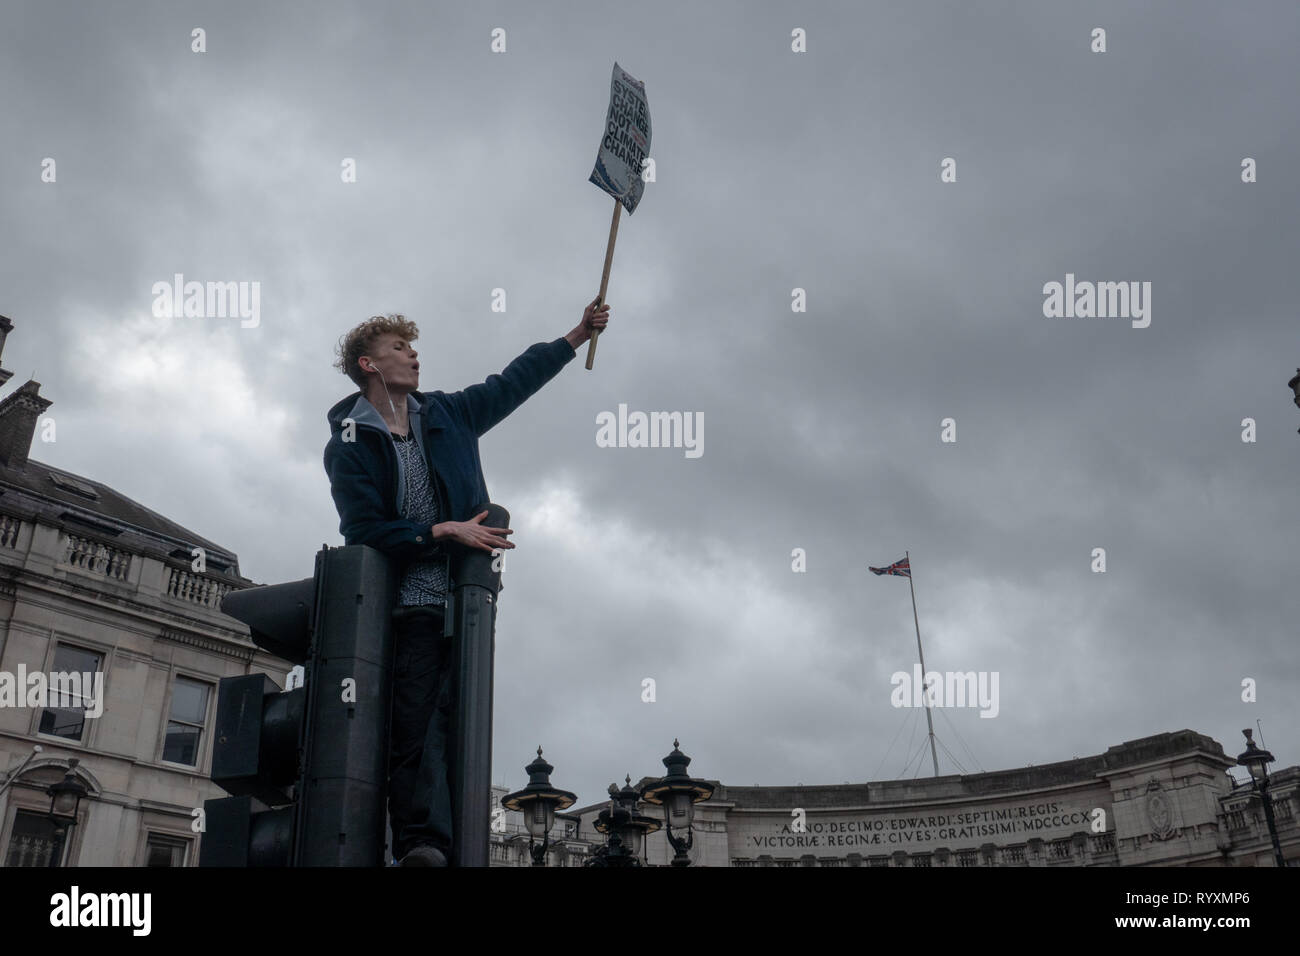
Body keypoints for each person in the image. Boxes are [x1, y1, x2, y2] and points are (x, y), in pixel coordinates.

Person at [322, 298, 611, 866]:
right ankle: (421, 845)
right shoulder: (349, 444)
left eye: (413, 347)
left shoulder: (449, 414)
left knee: (464, 723)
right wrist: (440, 531)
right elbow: (362, 528)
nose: (414, 356)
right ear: (368, 365)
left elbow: (512, 382)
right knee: (418, 725)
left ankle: (451, 843)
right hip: (408, 605)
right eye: (399, 349)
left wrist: (576, 334)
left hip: (468, 601)